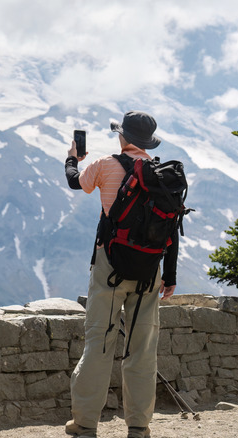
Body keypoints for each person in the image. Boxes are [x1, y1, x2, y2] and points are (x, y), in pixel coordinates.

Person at [63, 111, 178, 438]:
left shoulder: (105, 165)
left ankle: (85, 423)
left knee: (99, 342)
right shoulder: (162, 174)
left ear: (123, 137)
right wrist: (169, 276)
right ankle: (139, 427)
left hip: (109, 266)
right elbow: (173, 229)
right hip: (149, 271)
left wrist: (73, 159)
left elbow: (75, 181)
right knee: (142, 349)